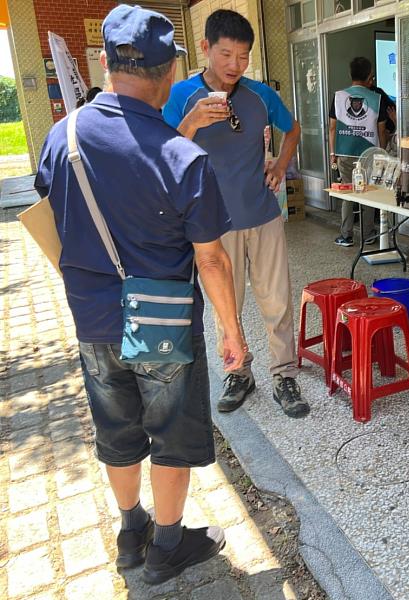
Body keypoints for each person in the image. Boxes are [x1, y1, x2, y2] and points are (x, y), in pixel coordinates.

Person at [34, 4, 247, 584]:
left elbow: (55, 208)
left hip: (93, 322)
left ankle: (131, 531)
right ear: (173, 71)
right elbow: (211, 257)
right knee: (171, 436)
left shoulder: (63, 137)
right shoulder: (184, 157)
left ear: (105, 62)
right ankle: (168, 548)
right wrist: (232, 332)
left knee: (117, 431)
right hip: (162, 323)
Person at [163, 9, 308, 418]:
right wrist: (191, 123)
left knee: (276, 301)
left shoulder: (260, 95)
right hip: (212, 226)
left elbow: (293, 128)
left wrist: (280, 165)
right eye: (226, 54)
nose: (234, 65)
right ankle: (239, 372)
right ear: (205, 48)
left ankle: (283, 374)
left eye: (243, 56)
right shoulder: (181, 97)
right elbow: (162, 156)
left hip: (263, 216)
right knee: (228, 305)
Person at [328, 57, 388, 247]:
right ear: (370, 75)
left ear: (350, 74)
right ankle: (368, 235)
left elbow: (332, 128)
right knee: (367, 193)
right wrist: (382, 152)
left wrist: (333, 153)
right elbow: (382, 131)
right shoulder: (376, 99)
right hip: (369, 153)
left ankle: (346, 236)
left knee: (348, 192)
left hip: (344, 152)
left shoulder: (339, 97)